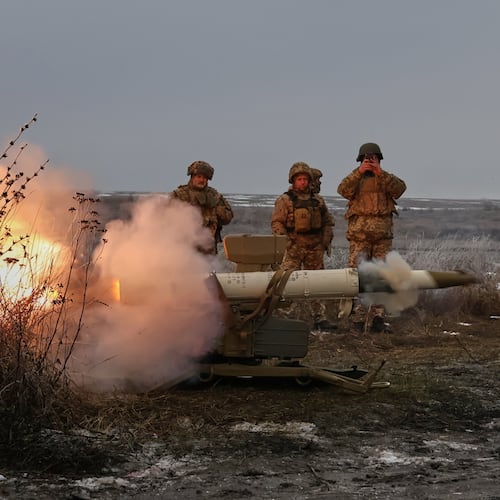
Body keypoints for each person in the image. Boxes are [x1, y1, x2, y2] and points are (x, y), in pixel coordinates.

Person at [337, 142, 406, 331]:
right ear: (361, 160)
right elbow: (342, 190)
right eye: (367, 158)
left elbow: (400, 189)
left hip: (382, 237)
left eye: (373, 158)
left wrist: (379, 173)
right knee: (357, 277)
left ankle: (377, 318)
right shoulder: (355, 179)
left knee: (381, 276)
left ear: (379, 159)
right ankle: (357, 318)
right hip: (359, 236)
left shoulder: (386, 179)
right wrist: (359, 172)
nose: (370, 161)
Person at [271, 162, 335, 330]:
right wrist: (286, 242)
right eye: (299, 179)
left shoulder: (318, 201)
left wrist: (324, 241)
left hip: (314, 248)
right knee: (286, 282)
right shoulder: (285, 200)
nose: (303, 182)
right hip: (293, 248)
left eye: (305, 179)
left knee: (316, 283)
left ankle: (319, 317)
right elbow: (277, 223)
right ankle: (284, 315)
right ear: (293, 180)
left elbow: (327, 222)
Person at [171, 160, 234, 254]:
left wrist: (216, 209)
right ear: (192, 177)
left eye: (205, 178)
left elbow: (228, 217)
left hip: (208, 248)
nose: (202, 180)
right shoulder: (180, 195)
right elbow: (166, 218)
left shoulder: (214, 195)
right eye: (199, 177)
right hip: (184, 247)